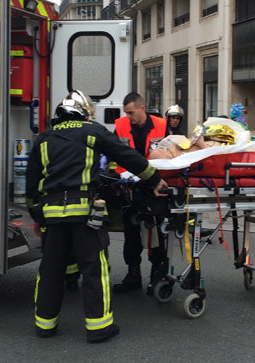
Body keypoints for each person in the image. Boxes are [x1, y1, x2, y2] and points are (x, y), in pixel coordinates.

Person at [26, 90, 167, 342]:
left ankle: (44, 326)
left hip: (52, 215)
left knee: (50, 270)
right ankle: (99, 327)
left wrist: (37, 217)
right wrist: (154, 179)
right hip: (84, 214)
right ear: (83, 112)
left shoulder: (44, 138)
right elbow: (128, 157)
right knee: (94, 268)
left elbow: (30, 186)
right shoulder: (92, 131)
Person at [112, 92, 168, 294]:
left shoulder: (162, 125)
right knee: (131, 234)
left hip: (156, 186)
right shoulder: (120, 125)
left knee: (158, 234)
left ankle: (157, 275)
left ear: (142, 108)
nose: (128, 117)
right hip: (131, 188)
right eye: (126, 113)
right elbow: (112, 153)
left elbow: (172, 153)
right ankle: (133, 274)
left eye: (131, 112)